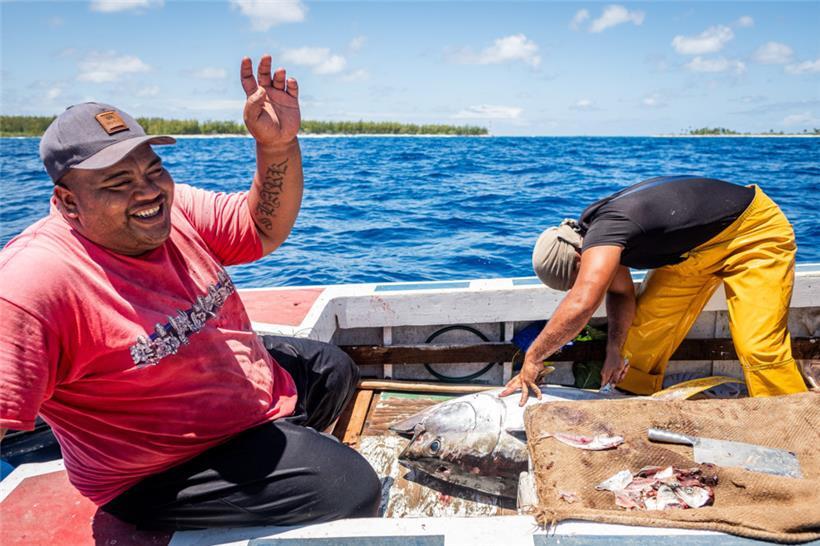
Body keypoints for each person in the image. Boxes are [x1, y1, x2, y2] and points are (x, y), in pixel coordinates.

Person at [0, 55, 380, 530]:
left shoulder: (173, 210)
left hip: (234, 400)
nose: (148, 192)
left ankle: (279, 449)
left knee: (333, 369)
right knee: (351, 488)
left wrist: (278, 147)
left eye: (152, 170)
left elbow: (261, 228)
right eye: (118, 182)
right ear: (68, 203)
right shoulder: (32, 282)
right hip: (156, 469)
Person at [500, 175, 808, 403]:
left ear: (580, 256)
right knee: (643, 331)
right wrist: (613, 351)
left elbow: (582, 303)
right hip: (694, 252)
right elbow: (620, 294)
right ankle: (631, 402)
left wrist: (534, 356)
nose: (584, 283)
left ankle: (794, 427)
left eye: (577, 277)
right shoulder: (598, 233)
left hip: (753, 234)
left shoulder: (606, 232)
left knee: (759, 348)